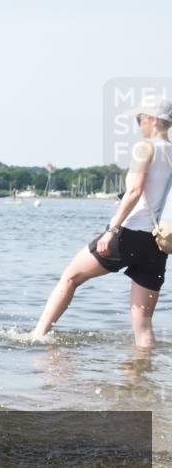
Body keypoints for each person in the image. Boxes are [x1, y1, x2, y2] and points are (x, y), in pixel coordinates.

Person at [32, 95, 172, 348]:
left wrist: (112, 230)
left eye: (139, 118)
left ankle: (37, 337)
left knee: (71, 278)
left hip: (129, 232)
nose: (138, 123)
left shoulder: (145, 147)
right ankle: (142, 382)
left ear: (152, 119)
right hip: (157, 244)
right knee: (143, 326)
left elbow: (135, 191)